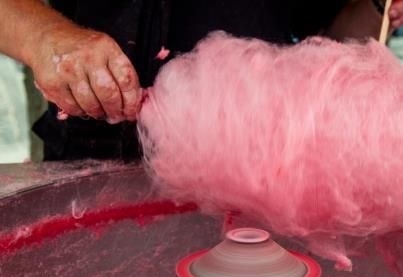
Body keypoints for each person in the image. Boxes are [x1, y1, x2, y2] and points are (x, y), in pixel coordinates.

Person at [0, 0, 402, 161]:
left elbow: (328, 36)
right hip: (92, 160)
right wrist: (45, 37)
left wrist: (373, 5)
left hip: (259, 178)